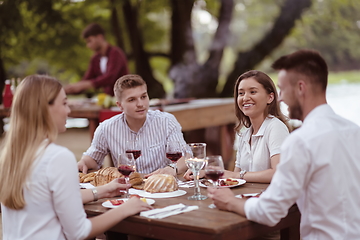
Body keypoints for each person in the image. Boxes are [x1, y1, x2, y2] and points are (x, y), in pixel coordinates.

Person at [208, 50, 360, 239]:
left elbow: (270, 211)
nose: (281, 98)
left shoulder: (301, 141)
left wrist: (230, 202)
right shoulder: (354, 131)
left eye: (283, 89)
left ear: (300, 88)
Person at [0, 75, 152, 240]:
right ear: (45, 109)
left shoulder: (10, 156)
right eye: (64, 103)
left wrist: (103, 190)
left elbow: (48, 200)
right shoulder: (57, 157)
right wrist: (126, 209)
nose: (69, 111)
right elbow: (79, 232)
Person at [184, 70, 289, 183]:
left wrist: (238, 175)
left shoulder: (276, 127)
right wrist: (207, 173)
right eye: (241, 93)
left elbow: (279, 173)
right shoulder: (245, 134)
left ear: (270, 97)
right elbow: (234, 179)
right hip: (245, 197)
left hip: (267, 198)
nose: (245, 98)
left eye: (253, 92)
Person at [77, 74, 189, 176]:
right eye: (132, 100)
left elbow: (186, 156)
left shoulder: (166, 121)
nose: (140, 104)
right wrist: (83, 162)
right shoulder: (106, 128)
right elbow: (93, 158)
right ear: (120, 105)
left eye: (143, 97)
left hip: (162, 188)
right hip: (127, 190)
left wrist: (172, 169)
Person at [64, 23, 129, 96]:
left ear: (100, 37)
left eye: (89, 41)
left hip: (125, 98)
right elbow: (86, 80)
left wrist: (86, 84)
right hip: (108, 100)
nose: (88, 45)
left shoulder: (116, 53)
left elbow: (110, 77)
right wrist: (70, 89)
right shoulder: (95, 59)